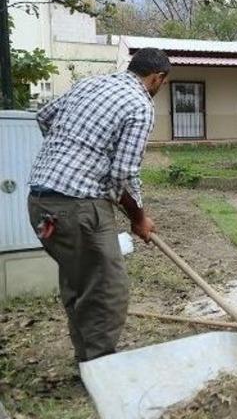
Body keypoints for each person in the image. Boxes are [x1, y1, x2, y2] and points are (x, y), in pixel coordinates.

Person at [27, 48, 169, 362]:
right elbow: (122, 174)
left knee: (78, 280)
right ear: (157, 78)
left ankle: (87, 359)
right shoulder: (139, 104)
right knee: (107, 288)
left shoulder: (90, 85)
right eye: (161, 83)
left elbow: (43, 117)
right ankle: (101, 365)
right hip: (78, 208)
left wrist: (74, 155)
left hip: (40, 204)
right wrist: (138, 218)